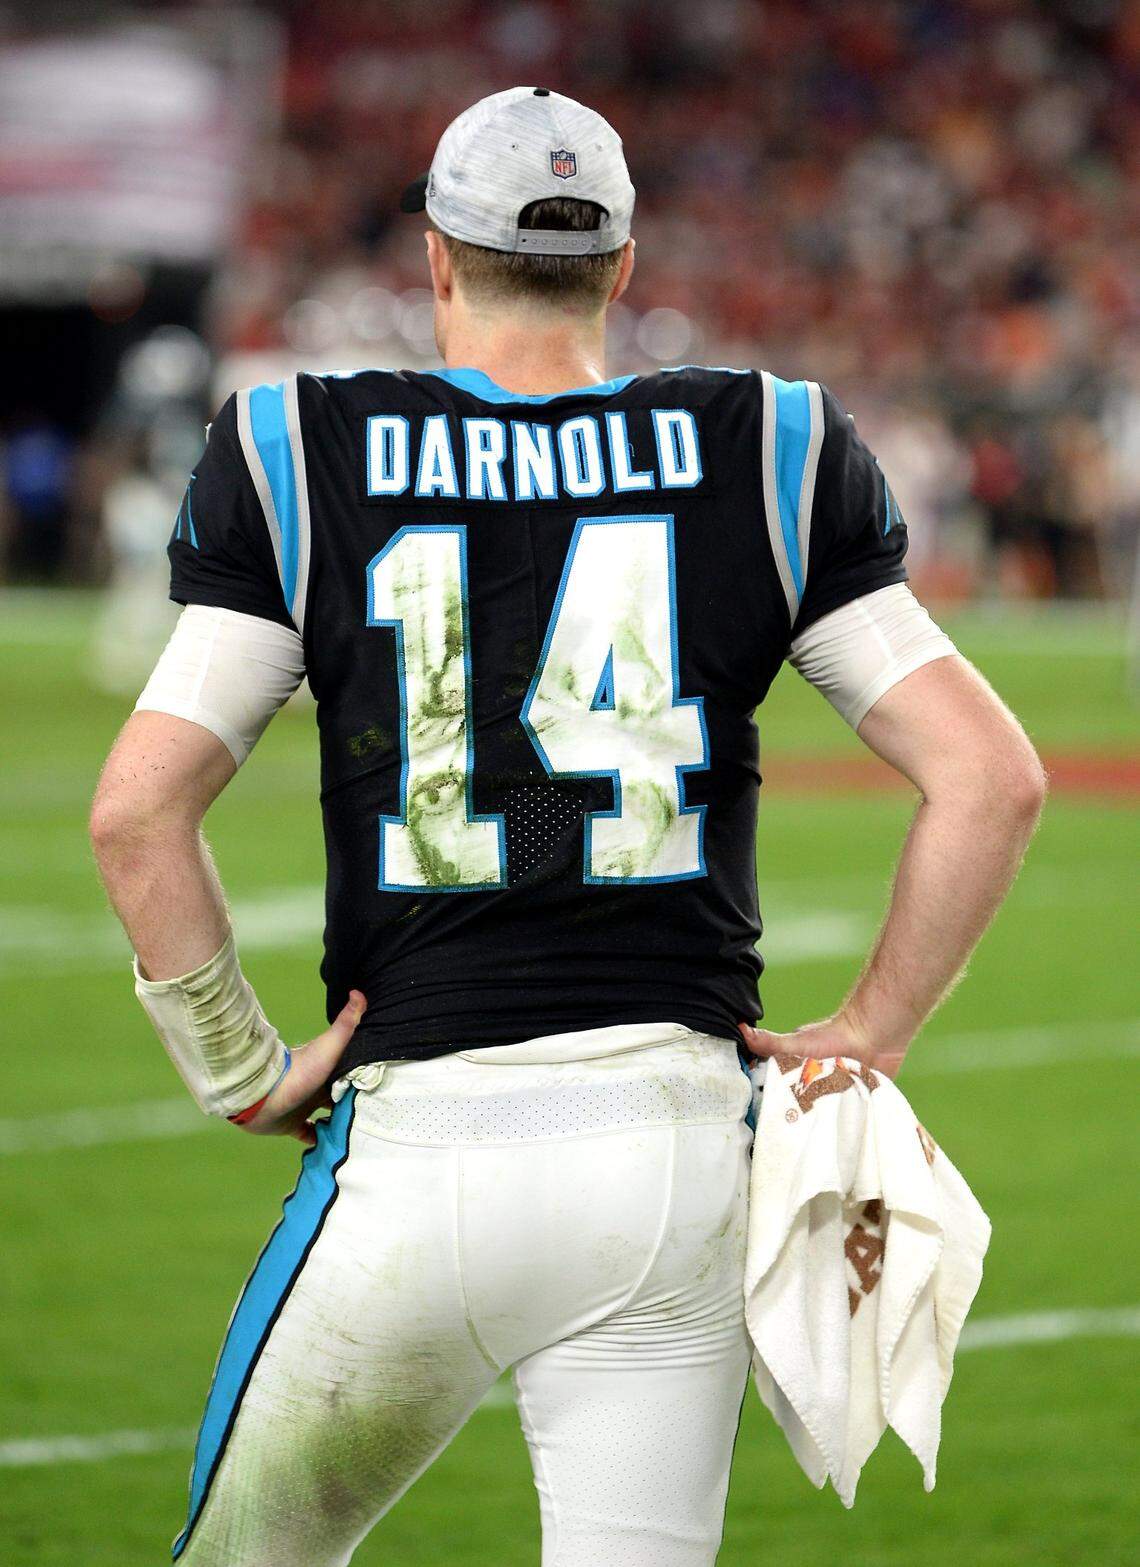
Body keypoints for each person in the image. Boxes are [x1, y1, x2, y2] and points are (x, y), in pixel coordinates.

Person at [90, 88, 1046, 1567]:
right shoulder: (771, 443)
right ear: (620, 265)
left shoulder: (298, 445)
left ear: (435, 260)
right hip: (674, 1156)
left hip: (415, 1148)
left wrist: (239, 1066)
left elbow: (140, 811)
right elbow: (991, 776)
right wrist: (875, 1026)